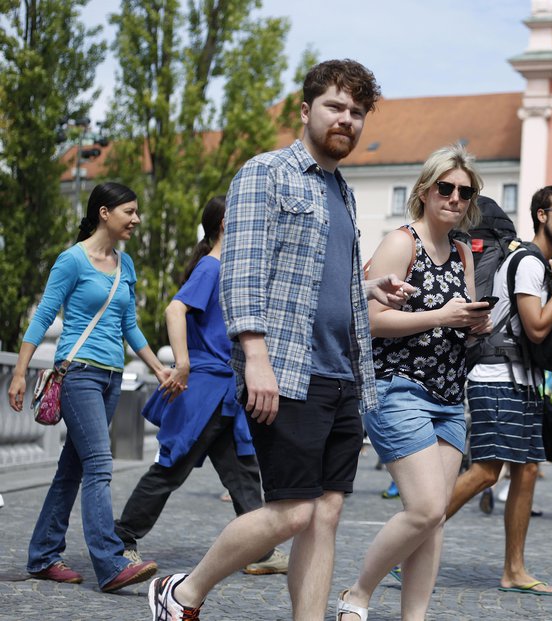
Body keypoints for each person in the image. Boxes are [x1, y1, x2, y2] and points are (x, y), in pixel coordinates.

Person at [147, 59, 413, 621]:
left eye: (357, 112)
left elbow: (310, 276)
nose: (346, 119)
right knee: (293, 512)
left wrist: (367, 286)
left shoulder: (342, 192)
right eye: (335, 107)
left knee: (326, 514)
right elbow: (241, 273)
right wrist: (256, 356)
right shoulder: (264, 173)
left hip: (345, 374)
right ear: (305, 110)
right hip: (290, 370)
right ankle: (183, 592)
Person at [335, 145, 492, 620]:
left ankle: (414, 617)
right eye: (446, 187)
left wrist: (471, 323)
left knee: (435, 520)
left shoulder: (462, 249)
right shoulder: (402, 242)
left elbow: (454, 319)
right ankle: (357, 592)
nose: (455, 198)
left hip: (448, 395)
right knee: (424, 509)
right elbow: (372, 319)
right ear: (425, 191)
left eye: (465, 192)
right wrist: (442, 314)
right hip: (397, 388)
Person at [8, 182, 169, 592]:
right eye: (129, 212)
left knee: (71, 469)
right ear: (104, 212)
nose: (136, 219)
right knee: (99, 464)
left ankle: (43, 555)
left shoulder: (125, 265)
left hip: (113, 378)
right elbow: (43, 316)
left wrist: (158, 369)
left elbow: (129, 325)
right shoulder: (72, 260)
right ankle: (110, 562)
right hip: (78, 373)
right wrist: (20, 371)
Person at [113, 197, 287, 575]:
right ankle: (121, 540)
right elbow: (175, 309)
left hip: (225, 393)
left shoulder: (225, 268)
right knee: (171, 469)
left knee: (243, 471)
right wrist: (184, 362)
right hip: (205, 391)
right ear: (226, 223)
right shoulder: (211, 267)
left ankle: (260, 552)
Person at [444, 185, 552, 597]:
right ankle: (407, 544)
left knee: (528, 471)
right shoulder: (528, 264)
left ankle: (514, 569)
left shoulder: (539, 263)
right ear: (541, 215)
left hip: (522, 381)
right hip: (497, 376)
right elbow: (537, 327)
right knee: (487, 472)